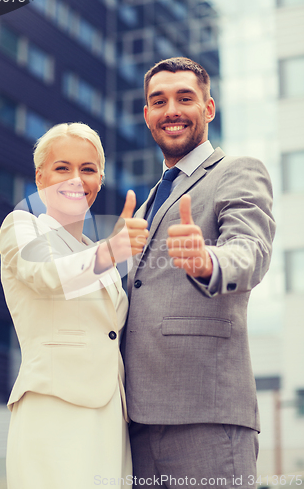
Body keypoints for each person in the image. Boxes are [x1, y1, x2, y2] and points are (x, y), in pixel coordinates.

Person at [123, 57, 276, 488]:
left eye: (184, 98)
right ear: (148, 115)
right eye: (158, 101)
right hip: (137, 420)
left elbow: (250, 251)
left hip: (205, 415)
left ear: (208, 108)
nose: (170, 109)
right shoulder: (152, 198)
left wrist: (207, 260)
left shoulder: (237, 172)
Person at [0, 122, 148, 489]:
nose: (75, 179)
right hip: (55, 408)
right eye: (62, 168)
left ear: (99, 180)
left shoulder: (98, 252)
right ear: (40, 177)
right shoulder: (23, 226)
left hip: (111, 416)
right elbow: (47, 275)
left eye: (88, 169)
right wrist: (110, 252)